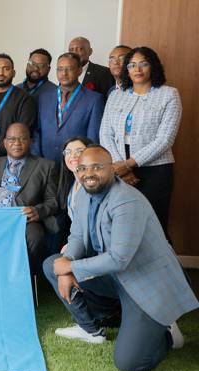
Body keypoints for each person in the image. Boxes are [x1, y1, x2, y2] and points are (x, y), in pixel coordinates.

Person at [43, 145, 198, 371]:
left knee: (130, 363)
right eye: (83, 168)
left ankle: (164, 329)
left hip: (144, 282)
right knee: (52, 265)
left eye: (97, 167)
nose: (89, 173)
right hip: (116, 277)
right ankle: (91, 330)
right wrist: (66, 267)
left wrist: (70, 266)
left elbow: (119, 259)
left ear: (112, 169)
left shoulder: (126, 201)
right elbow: (76, 236)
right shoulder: (85, 193)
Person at [99, 46, 181, 236]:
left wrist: (128, 164)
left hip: (155, 171)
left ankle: (162, 266)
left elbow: (165, 139)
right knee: (123, 226)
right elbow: (105, 134)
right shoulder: (116, 96)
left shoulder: (168, 94)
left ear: (153, 66)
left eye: (143, 64)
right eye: (132, 65)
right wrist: (120, 166)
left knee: (155, 227)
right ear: (127, 69)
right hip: (118, 169)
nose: (137, 69)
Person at [0, 123, 58, 273]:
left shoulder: (46, 166)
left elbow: (52, 201)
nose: (17, 143)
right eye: (12, 139)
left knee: (35, 235)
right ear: (5, 143)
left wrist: (37, 211)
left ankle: (22, 277)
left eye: (22, 139)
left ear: (30, 141)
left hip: (23, 220)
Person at [33, 52, 104, 163]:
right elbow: (36, 131)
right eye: (60, 69)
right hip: (44, 162)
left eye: (69, 69)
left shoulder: (94, 99)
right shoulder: (44, 97)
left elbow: (92, 139)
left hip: (76, 163)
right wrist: (37, 158)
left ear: (80, 70)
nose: (64, 74)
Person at [50, 136, 93, 254]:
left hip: (93, 243)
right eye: (68, 152)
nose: (73, 155)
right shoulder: (70, 184)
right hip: (78, 241)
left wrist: (73, 245)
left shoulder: (94, 184)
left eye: (79, 151)